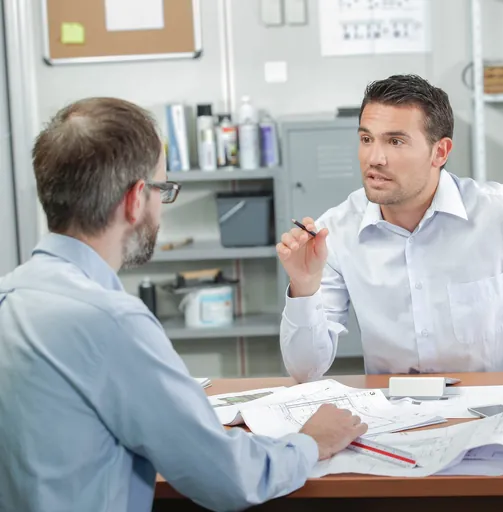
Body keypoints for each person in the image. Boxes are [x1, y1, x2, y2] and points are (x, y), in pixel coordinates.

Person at [0, 98, 367, 512]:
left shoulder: (10, 295)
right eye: (163, 189)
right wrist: (309, 442)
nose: (162, 206)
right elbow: (226, 477)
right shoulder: (111, 322)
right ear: (136, 199)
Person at [277, 74, 503, 384]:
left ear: (440, 152)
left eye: (396, 141)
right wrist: (304, 289)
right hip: (394, 422)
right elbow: (306, 371)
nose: (375, 158)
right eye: (366, 139)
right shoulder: (335, 232)